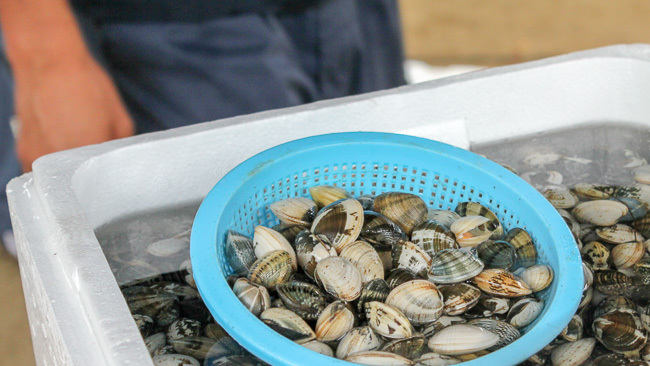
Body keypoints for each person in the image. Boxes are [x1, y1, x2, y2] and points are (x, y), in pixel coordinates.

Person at [0, 0, 406, 256]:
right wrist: (46, 52)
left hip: (350, 14)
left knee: (373, 194)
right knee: (194, 247)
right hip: (159, 24)